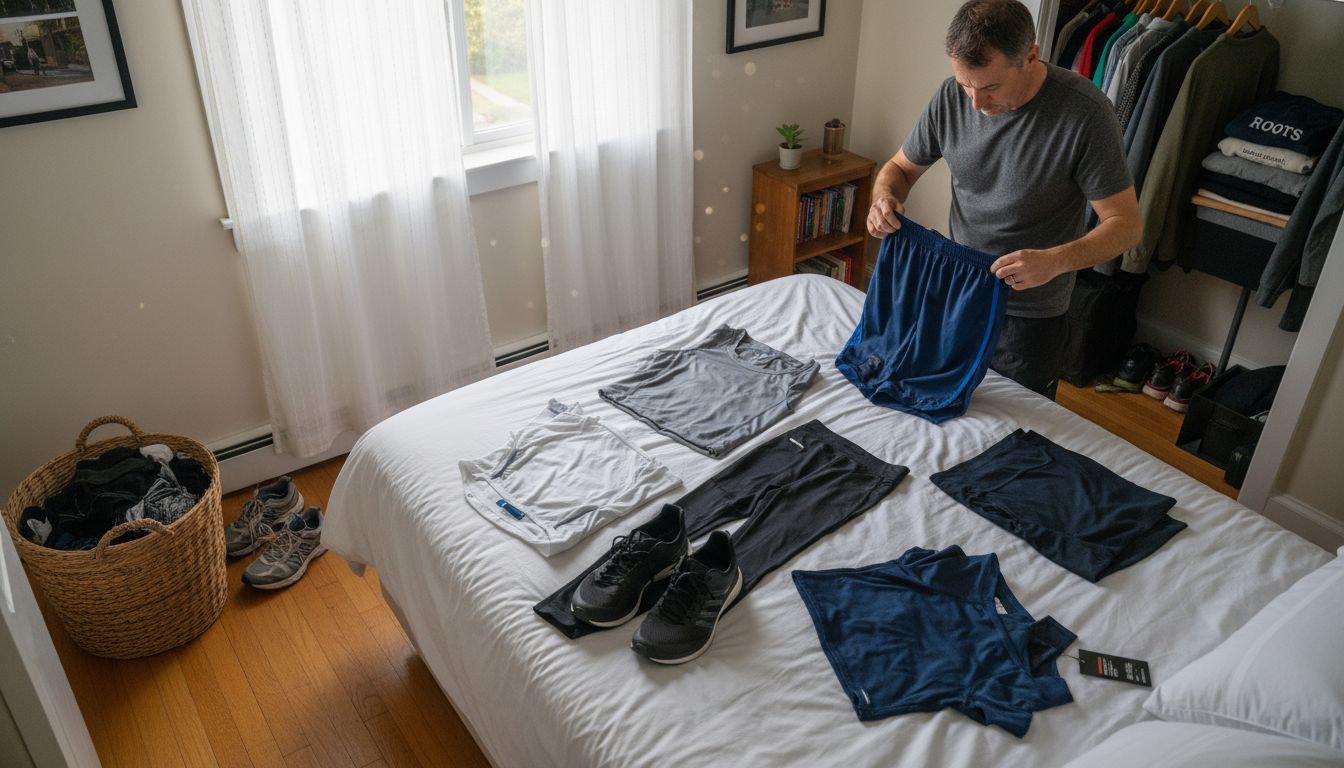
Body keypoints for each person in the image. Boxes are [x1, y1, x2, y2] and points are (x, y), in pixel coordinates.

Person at [866, 0, 1140, 400]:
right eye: (966, 85)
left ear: (1030, 56)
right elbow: (900, 169)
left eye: (990, 87)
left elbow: (1127, 226)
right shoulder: (950, 98)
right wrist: (884, 198)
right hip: (956, 293)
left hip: (1030, 316)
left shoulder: (1086, 114)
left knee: (1014, 435)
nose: (976, 103)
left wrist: (1054, 261)